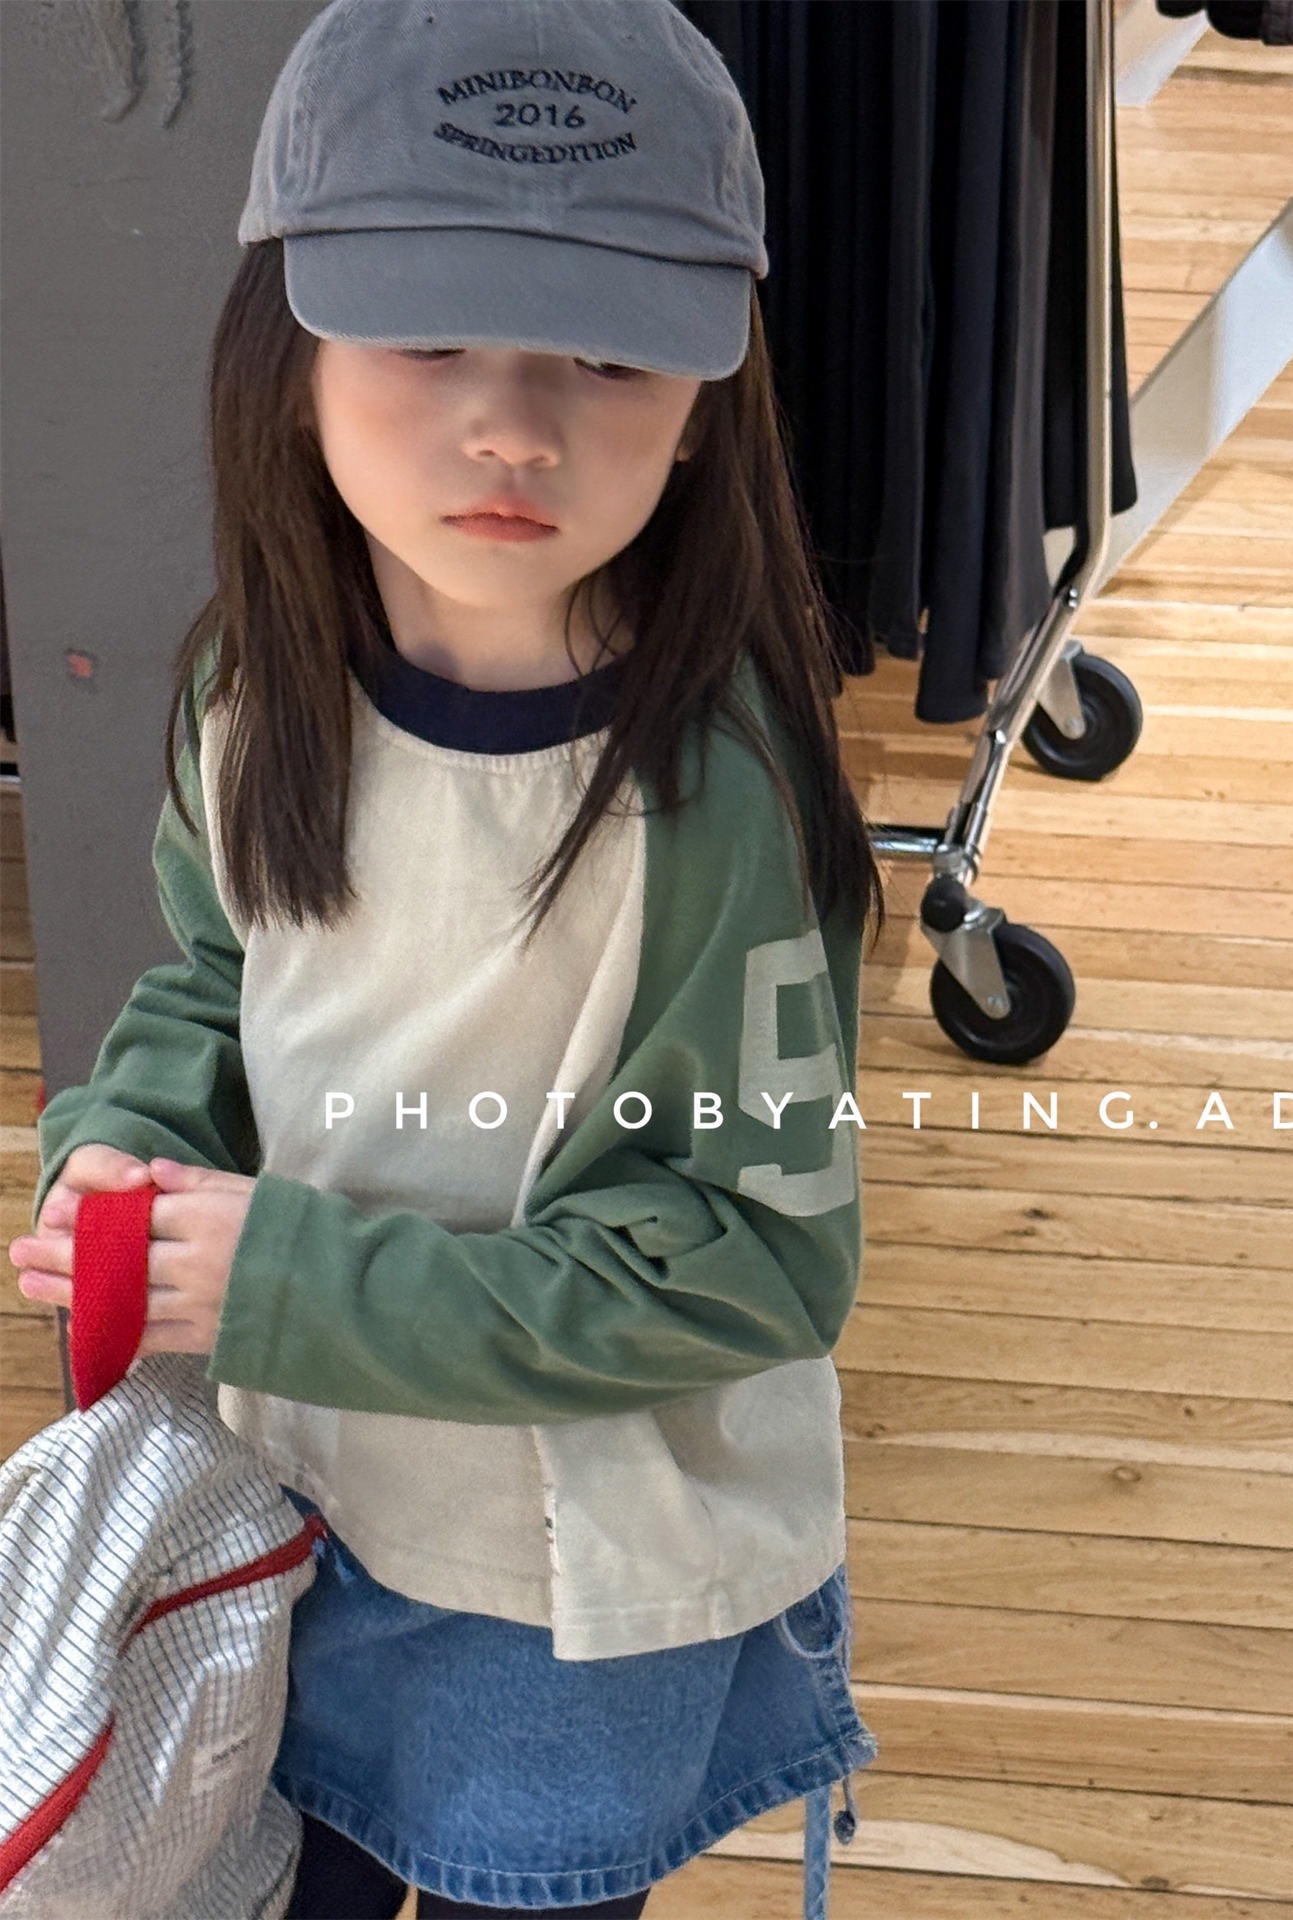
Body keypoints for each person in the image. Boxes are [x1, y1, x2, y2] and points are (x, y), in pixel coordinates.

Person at [9, 2, 887, 1915]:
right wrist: (129, 1138)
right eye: (426, 336)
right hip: (286, 1507)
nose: (513, 423)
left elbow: (756, 1259)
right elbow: (217, 982)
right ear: (289, 353)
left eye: (606, 351)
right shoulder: (253, 687)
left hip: (557, 1600)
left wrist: (290, 1281)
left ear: (708, 393)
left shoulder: (710, 799)